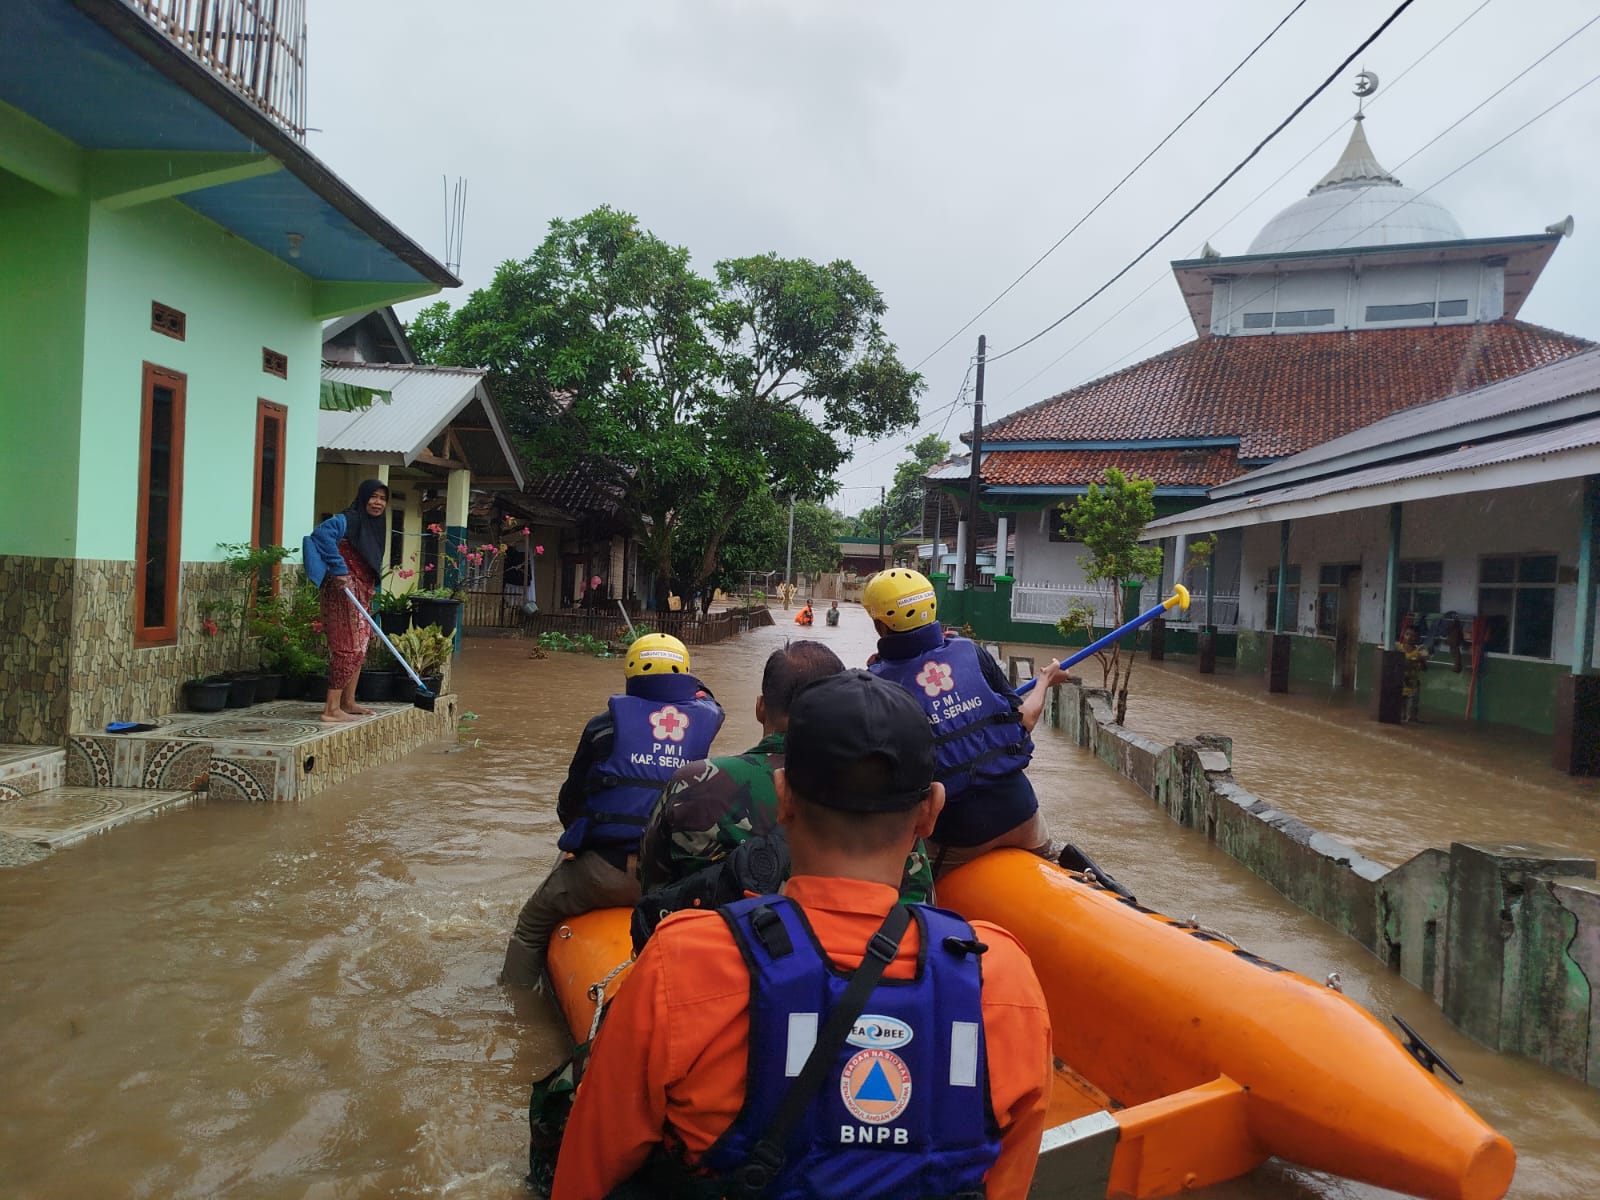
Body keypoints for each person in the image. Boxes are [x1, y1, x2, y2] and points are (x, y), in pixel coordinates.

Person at [551, 670, 1053, 1200]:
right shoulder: (1002, 978)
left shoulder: (682, 964)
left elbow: (587, 1176)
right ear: (930, 811)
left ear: (784, 797)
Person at [634, 642, 933, 948]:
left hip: (706, 952)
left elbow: (652, 887)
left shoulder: (692, 782)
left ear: (760, 707)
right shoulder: (883, 796)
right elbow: (921, 899)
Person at [501, 634, 724, 989]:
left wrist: (577, 835)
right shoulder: (702, 728)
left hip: (604, 874)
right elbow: (705, 700)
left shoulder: (602, 727)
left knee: (531, 924)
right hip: (672, 882)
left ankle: (513, 1006)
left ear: (630, 674)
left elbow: (571, 799)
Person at [863, 568, 1068, 876]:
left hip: (960, 834)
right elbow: (1024, 720)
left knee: (908, 883)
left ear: (880, 624)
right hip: (1022, 812)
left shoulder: (874, 684)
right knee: (1052, 860)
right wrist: (1044, 680)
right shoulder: (970, 651)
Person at [302, 478, 389, 724]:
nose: (378, 502)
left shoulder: (375, 526)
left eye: (383, 498)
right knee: (348, 647)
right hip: (341, 592)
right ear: (363, 497)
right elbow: (321, 534)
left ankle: (347, 703)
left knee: (361, 647)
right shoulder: (347, 519)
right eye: (373, 496)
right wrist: (339, 569)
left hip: (361, 592)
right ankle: (331, 709)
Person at [1399, 621, 1429, 723]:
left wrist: (1421, 660)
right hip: (1399, 684)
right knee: (1400, 713)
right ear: (1404, 635)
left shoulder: (1421, 650)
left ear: (1417, 638)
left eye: (1413, 636)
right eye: (1407, 634)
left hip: (1413, 685)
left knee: (1412, 713)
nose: (1410, 637)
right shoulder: (1398, 647)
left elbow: (1425, 668)